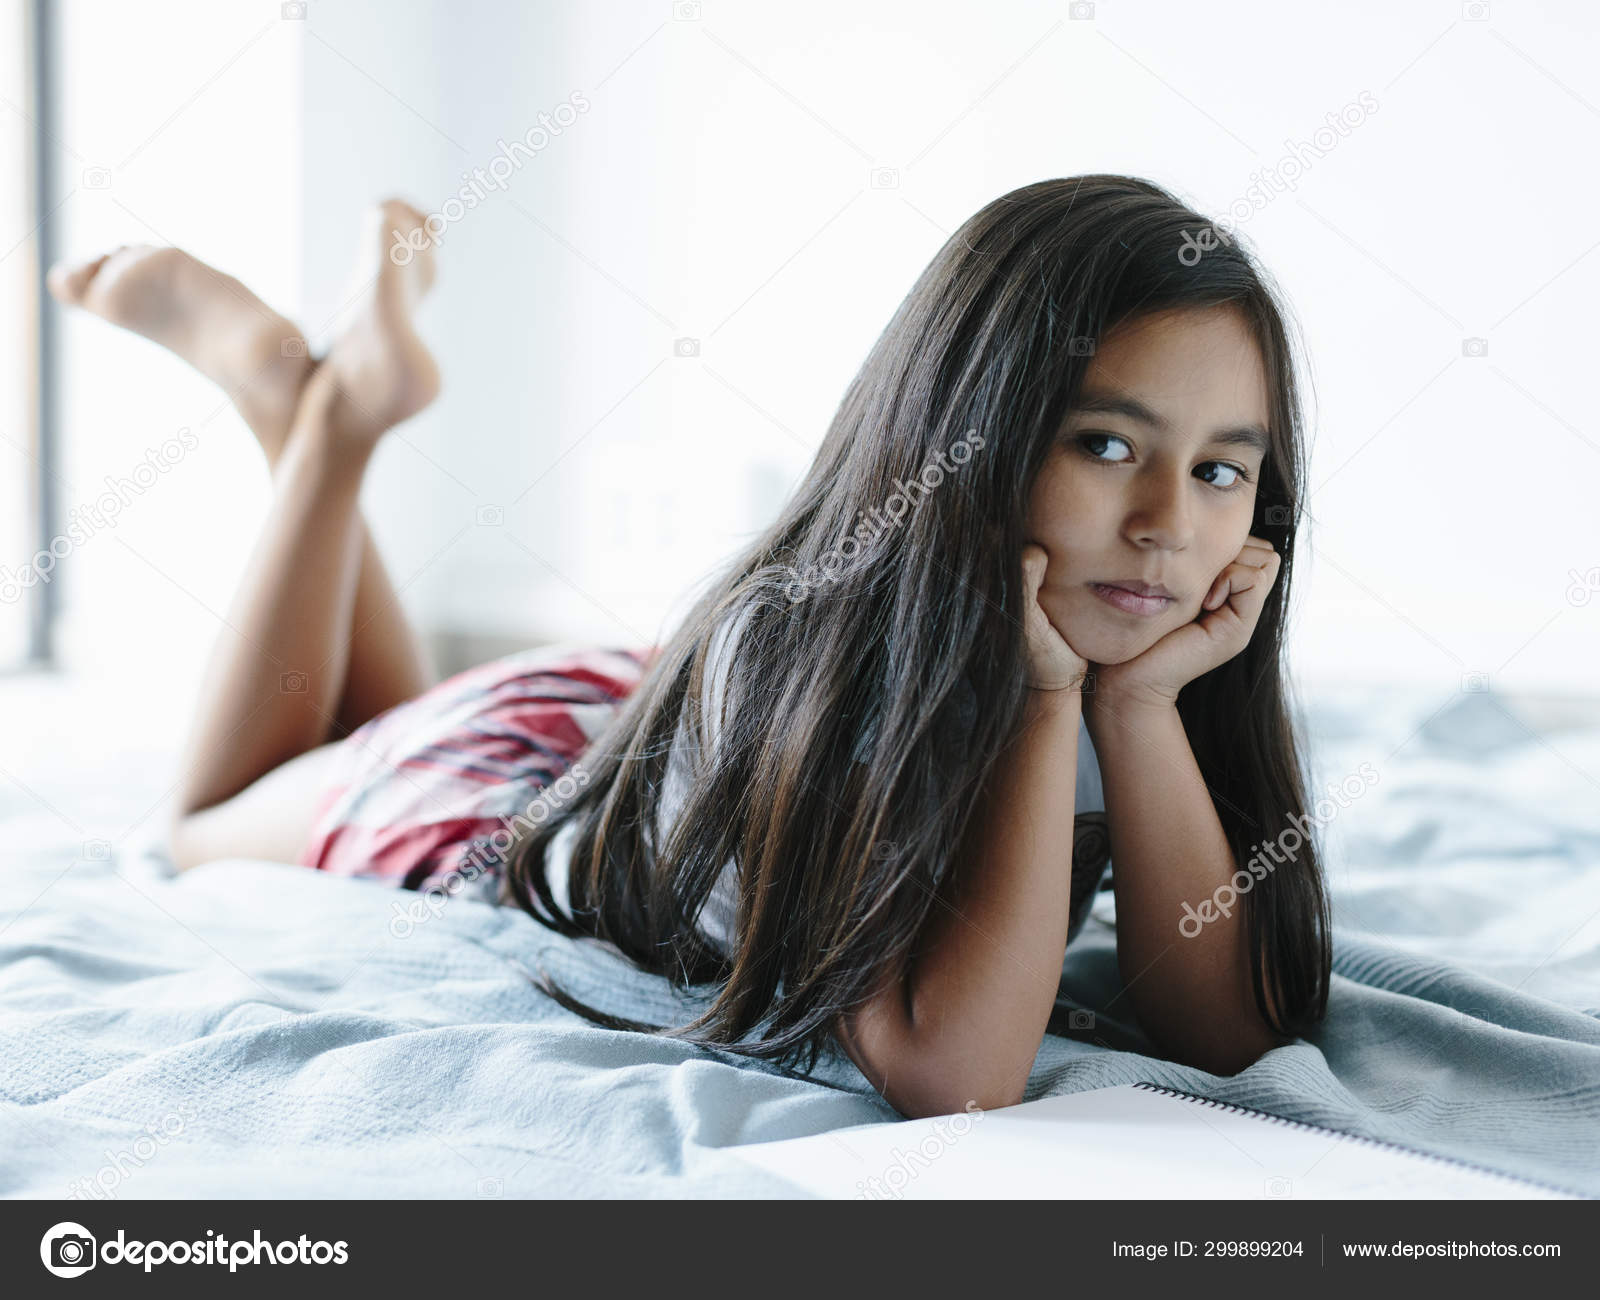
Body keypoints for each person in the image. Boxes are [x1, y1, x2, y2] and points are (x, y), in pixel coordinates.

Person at [47, 175, 1330, 1120]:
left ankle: (315, 403)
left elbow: (1227, 1032)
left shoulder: (1143, 670)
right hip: (504, 788)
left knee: (361, 721)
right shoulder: (812, 656)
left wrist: (1142, 714)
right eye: (1104, 446)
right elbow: (954, 1075)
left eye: (1222, 469)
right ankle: (314, 422)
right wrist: (1052, 706)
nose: (1169, 526)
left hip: (622, 731)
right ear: (972, 431)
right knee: (206, 821)